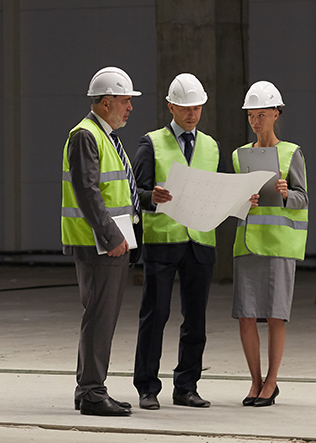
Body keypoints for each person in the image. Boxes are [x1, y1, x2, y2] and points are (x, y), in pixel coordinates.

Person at [130, 73, 219, 410]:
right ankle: (147, 387)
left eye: (196, 108)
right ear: (170, 107)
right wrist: (151, 196)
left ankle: (186, 387)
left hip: (200, 243)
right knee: (156, 315)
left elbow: (218, 190)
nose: (192, 114)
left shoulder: (211, 146)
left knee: (196, 319)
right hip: (163, 241)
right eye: (185, 108)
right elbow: (133, 193)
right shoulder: (151, 143)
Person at [61, 66, 142, 417]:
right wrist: (112, 236)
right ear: (106, 102)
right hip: (100, 243)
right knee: (99, 317)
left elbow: (113, 190)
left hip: (109, 242)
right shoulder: (86, 135)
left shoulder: (104, 135)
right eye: (125, 101)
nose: (130, 108)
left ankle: (88, 388)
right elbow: (87, 191)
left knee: (100, 316)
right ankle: (93, 392)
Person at [231, 80, 309, 407]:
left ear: (276, 114)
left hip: (279, 245)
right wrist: (241, 201)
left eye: (262, 114)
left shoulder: (292, 153)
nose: (255, 121)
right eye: (251, 115)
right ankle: (254, 381)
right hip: (247, 244)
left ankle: (271, 383)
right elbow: (230, 203)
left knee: (276, 316)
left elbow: (303, 199)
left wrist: (285, 193)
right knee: (247, 316)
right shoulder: (239, 156)